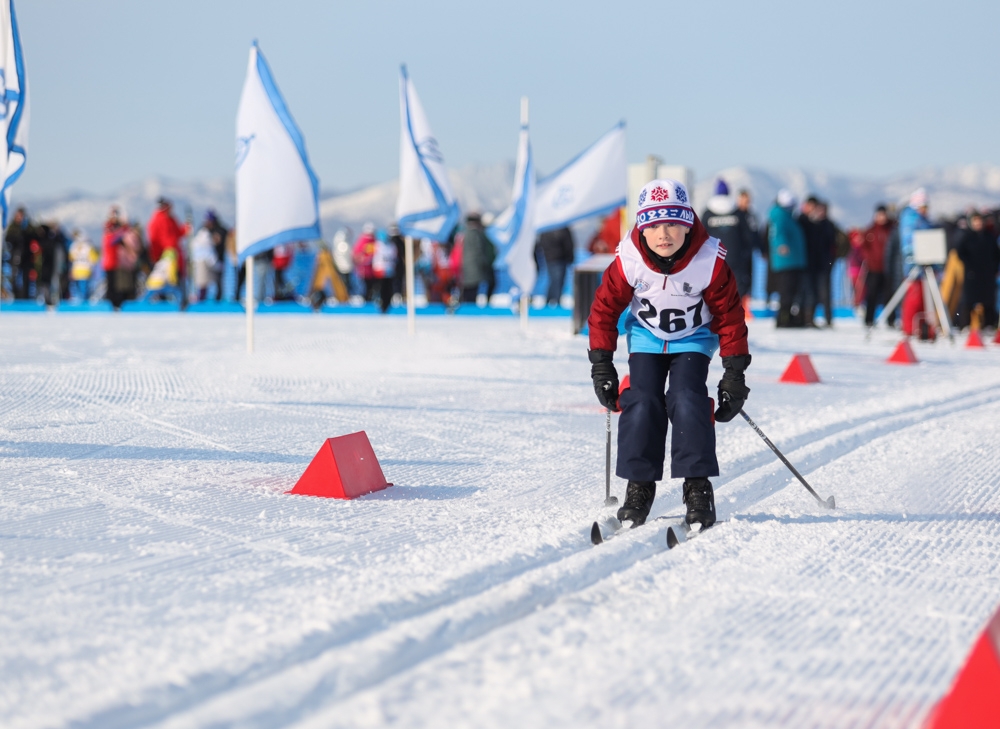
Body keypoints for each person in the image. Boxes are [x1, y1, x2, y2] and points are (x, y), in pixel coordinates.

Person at [587, 179, 750, 530]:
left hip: (693, 339)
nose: (664, 233)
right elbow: (603, 310)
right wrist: (602, 364)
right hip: (646, 338)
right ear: (642, 229)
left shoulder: (709, 259)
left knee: (687, 398)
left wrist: (734, 372)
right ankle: (639, 486)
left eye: (674, 223)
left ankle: (697, 487)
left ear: (687, 223)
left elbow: (730, 316)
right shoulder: (628, 259)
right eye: (654, 225)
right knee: (642, 400)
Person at [768, 189, 807, 327]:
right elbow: (778, 232)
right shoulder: (780, 215)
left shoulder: (784, 215)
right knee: (787, 292)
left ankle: (788, 317)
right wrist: (782, 245)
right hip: (787, 261)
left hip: (792, 260)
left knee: (790, 292)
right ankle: (783, 319)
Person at [955, 210, 1000, 329]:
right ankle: (964, 325)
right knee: (968, 301)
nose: (978, 224)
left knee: (988, 300)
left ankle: (989, 325)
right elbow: (960, 252)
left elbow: (996, 255)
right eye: (975, 221)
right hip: (972, 273)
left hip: (987, 273)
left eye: (980, 221)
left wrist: (994, 269)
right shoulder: (967, 237)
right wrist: (968, 264)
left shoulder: (989, 237)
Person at [898, 188, 933, 337]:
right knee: (914, 297)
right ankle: (909, 328)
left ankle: (922, 328)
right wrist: (915, 255)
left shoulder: (922, 219)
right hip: (914, 264)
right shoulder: (910, 218)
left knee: (925, 299)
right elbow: (909, 242)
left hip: (926, 262)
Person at [147, 197, 191, 305]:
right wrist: (156, 257)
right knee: (166, 280)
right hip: (166, 256)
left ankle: (180, 300)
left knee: (176, 278)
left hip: (174, 255)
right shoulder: (158, 220)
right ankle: (165, 301)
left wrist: (186, 229)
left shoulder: (170, 219)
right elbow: (155, 240)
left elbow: (177, 233)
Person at [860, 205, 894, 326]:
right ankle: (869, 319)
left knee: (889, 294)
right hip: (873, 268)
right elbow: (864, 248)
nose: (882, 217)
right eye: (880, 215)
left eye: (884, 214)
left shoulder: (892, 228)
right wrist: (869, 259)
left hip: (888, 268)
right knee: (872, 295)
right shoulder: (871, 230)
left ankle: (891, 320)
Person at [459, 212, 496, 304]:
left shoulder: (464, 233)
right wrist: (486, 263)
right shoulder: (476, 234)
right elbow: (479, 251)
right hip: (475, 268)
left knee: (469, 291)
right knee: (471, 292)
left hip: (467, 267)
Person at [536, 225, 575, 306]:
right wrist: (570, 257)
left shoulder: (546, 228)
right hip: (558, 259)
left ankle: (550, 301)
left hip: (551, 259)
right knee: (557, 281)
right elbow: (568, 244)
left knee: (555, 281)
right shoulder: (561, 228)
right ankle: (554, 301)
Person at [68, 230, 98, 302]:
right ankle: (84, 303)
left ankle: (78, 302)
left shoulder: (73, 246)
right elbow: (95, 259)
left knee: (76, 289)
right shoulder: (89, 247)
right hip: (86, 271)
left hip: (76, 270)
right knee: (84, 289)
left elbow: (70, 258)